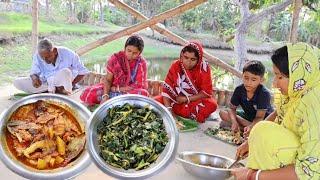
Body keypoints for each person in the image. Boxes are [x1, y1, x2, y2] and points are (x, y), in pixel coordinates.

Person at [232, 43, 320, 180]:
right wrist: (250, 141)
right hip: (297, 155)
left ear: (299, 74)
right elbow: (278, 113)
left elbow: (309, 169)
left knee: (265, 135)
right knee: (261, 130)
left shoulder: (314, 105)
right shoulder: (299, 91)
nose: (274, 84)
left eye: (280, 77)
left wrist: (252, 176)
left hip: (309, 170)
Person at [155, 42, 217, 123]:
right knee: (155, 101)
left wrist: (186, 99)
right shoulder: (176, 65)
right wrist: (169, 110)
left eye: (193, 59)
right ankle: (181, 111)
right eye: (186, 57)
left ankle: (180, 111)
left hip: (194, 100)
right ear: (181, 56)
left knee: (212, 105)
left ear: (199, 59)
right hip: (176, 99)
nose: (188, 62)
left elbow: (205, 93)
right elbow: (167, 89)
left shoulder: (204, 68)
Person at [80, 35, 148, 105]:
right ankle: (119, 102)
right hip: (112, 89)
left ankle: (115, 101)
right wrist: (105, 96)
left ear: (139, 53)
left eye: (135, 53)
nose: (130, 55)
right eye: (129, 51)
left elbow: (140, 85)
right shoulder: (115, 59)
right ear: (125, 48)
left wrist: (123, 90)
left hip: (129, 93)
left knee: (143, 93)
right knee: (89, 92)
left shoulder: (141, 63)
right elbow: (108, 80)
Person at [13, 38, 89, 95]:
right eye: (42, 57)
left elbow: (82, 72)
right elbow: (33, 72)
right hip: (47, 82)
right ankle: (53, 90)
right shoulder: (37, 55)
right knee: (17, 82)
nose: (45, 60)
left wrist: (72, 83)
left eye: (48, 56)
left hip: (63, 81)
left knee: (66, 71)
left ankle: (62, 89)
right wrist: (35, 78)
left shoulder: (68, 53)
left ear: (55, 51)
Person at [219, 60, 274, 135]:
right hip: (247, 117)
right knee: (222, 113)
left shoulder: (264, 93)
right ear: (242, 76)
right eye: (246, 78)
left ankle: (244, 128)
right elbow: (231, 108)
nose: (248, 82)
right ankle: (243, 128)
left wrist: (251, 126)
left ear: (261, 80)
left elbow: (259, 117)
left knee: (261, 127)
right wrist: (234, 121)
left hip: (261, 121)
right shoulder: (239, 89)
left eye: (253, 79)